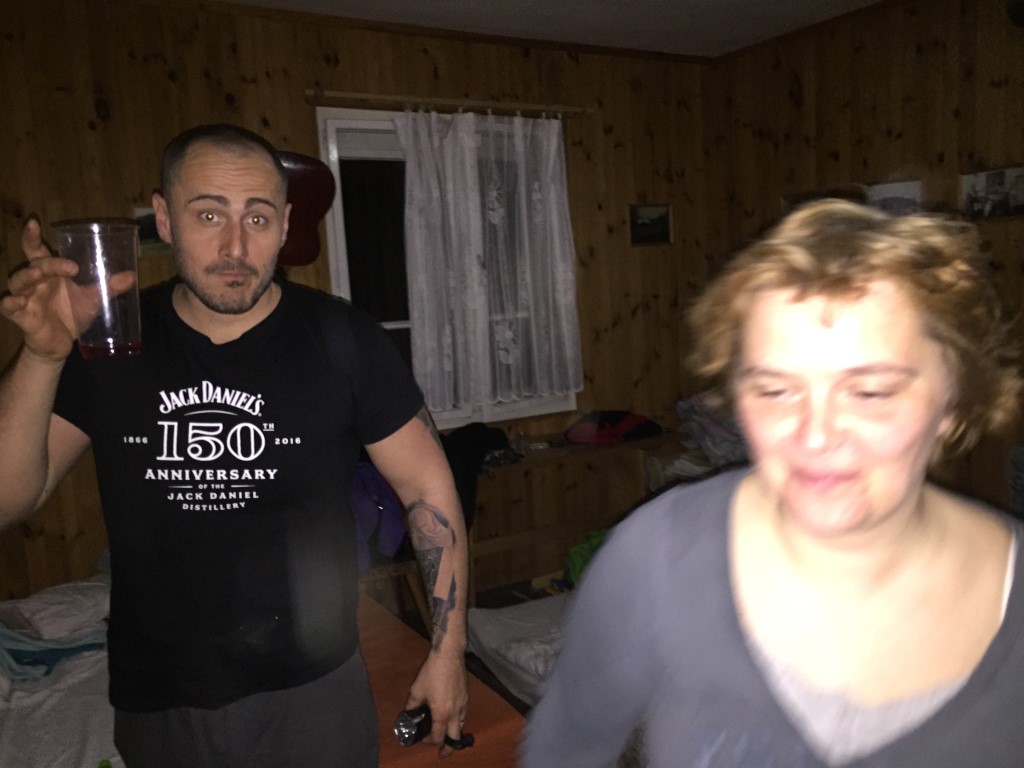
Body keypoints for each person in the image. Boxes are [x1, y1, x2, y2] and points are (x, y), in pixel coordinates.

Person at [0, 124, 469, 767]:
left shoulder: (344, 340)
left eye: (257, 217)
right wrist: (43, 356)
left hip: (313, 691)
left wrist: (448, 651)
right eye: (208, 214)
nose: (234, 246)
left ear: (285, 224)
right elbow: (10, 499)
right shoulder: (109, 341)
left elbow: (427, 487)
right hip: (159, 695)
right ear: (164, 218)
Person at [521, 199, 1024, 766]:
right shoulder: (656, 555)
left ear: (955, 401)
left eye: (870, 392)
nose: (816, 436)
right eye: (775, 390)